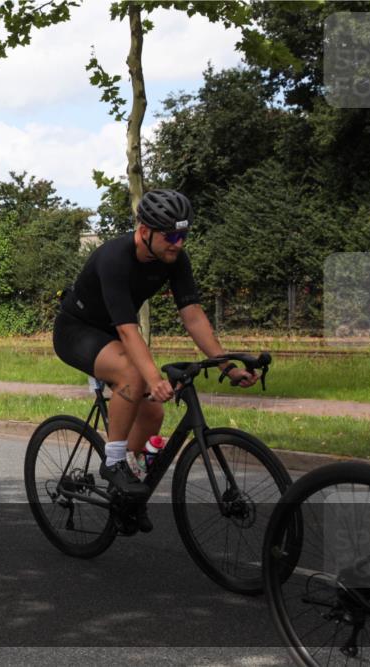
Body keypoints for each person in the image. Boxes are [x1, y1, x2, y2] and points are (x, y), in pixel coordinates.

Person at [52, 189, 256, 531]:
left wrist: (226, 366)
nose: (178, 243)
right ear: (144, 230)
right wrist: (154, 378)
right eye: (171, 235)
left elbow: (192, 315)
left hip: (113, 335)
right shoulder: (114, 257)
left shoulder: (175, 259)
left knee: (153, 413)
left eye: (184, 234)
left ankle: (125, 492)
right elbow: (129, 331)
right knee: (132, 373)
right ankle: (112, 462)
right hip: (77, 331)